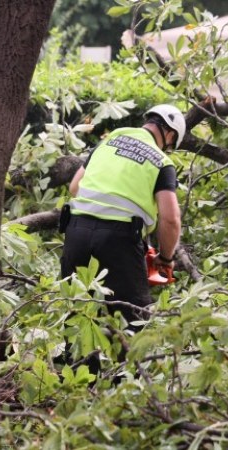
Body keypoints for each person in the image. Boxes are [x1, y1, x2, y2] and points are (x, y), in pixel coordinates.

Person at [60, 104, 184, 326]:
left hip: (76, 231)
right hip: (119, 242)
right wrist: (165, 258)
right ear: (170, 133)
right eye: (171, 145)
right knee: (134, 322)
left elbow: (75, 187)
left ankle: (75, 361)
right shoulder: (161, 161)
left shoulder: (108, 141)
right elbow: (171, 219)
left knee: (76, 318)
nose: (169, 149)